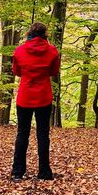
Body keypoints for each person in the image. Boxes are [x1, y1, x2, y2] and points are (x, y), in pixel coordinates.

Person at [11, 22, 60, 181]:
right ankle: (44, 172)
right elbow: (53, 72)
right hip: (44, 97)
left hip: (25, 97)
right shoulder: (52, 51)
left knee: (22, 133)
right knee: (43, 135)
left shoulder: (20, 50)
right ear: (44, 34)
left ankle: (18, 171)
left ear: (30, 33)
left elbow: (17, 72)